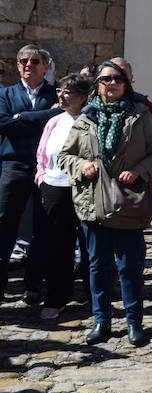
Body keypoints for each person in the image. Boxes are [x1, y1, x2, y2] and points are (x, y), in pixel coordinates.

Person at [57, 61, 152, 347]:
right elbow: (65, 156)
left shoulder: (140, 115)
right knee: (97, 265)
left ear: (126, 83)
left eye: (118, 79)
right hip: (92, 203)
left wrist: (140, 170)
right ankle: (101, 320)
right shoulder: (86, 118)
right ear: (98, 84)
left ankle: (134, 322)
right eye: (106, 79)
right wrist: (82, 166)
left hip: (128, 202)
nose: (112, 83)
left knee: (130, 266)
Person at [0, 45, 62, 301]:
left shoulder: (55, 94)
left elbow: (59, 121)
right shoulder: (6, 93)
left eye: (35, 61)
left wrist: (21, 117)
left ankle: (33, 284)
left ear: (46, 67)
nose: (28, 65)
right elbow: (3, 124)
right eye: (23, 60)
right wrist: (45, 116)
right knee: (4, 224)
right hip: (13, 166)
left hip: (45, 169)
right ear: (17, 66)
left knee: (43, 226)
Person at [32, 74, 92, 319]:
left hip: (85, 189)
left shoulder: (91, 121)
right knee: (58, 245)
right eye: (61, 91)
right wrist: (41, 176)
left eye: (68, 92)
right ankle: (57, 296)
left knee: (90, 245)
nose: (62, 96)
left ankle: (93, 296)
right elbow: (42, 152)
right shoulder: (54, 121)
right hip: (54, 188)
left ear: (82, 97)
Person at [110, 57, 152, 133]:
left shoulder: (146, 107)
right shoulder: (91, 109)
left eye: (123, 74)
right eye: (108, 78)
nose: (115, 81)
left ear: (131, 78)